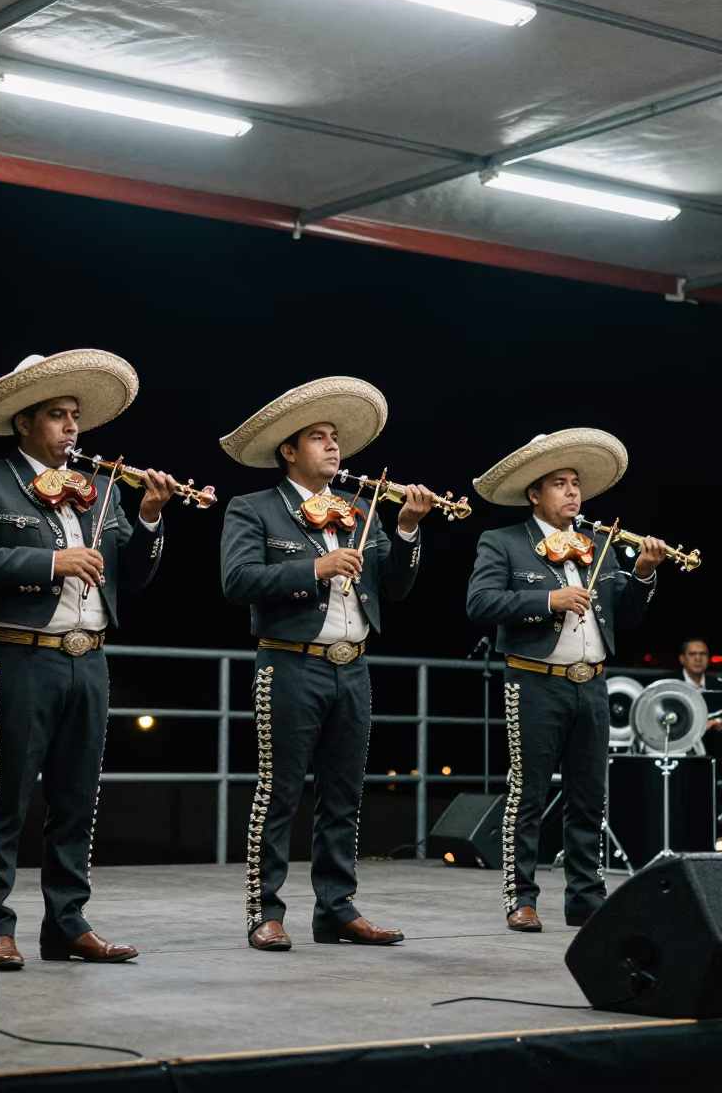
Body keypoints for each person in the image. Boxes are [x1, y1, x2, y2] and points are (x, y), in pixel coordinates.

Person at [0, 351, 177, 970]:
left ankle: (67, 923)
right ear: (24, 422)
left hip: (90, 660)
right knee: (9, 795)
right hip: (21, 656)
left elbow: (135, 573)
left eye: (75, 416)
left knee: (78, 798)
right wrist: (53, 563)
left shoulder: (99, 491)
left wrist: (150, 518)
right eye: (57, 415)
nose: (72, 427)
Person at [219, 377, 432, 950]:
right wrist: (315, 569)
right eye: (318, 437)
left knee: (345, 794)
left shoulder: (359, 509)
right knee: (280, 790)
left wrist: (407, 530)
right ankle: (265, 911)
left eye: (335, 437)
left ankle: (336, 908)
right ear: (288, 451)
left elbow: (396, 586)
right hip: (289, 664)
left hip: (353, 665)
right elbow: (237, 582)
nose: (333, 446)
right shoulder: (254, 507)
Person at [467, 429, 666, 933]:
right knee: (527, 794)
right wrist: (547, 601)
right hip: (534, 682)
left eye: (576, 483)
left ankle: (586, 897)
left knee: (588, 797)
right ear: (535, 493)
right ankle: (521, 898)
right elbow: (480, 604)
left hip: (592, 683)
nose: (573, 492)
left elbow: (626, 617)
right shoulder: (505, 541)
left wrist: (642, 573)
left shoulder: (596, 544)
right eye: (560, 483)